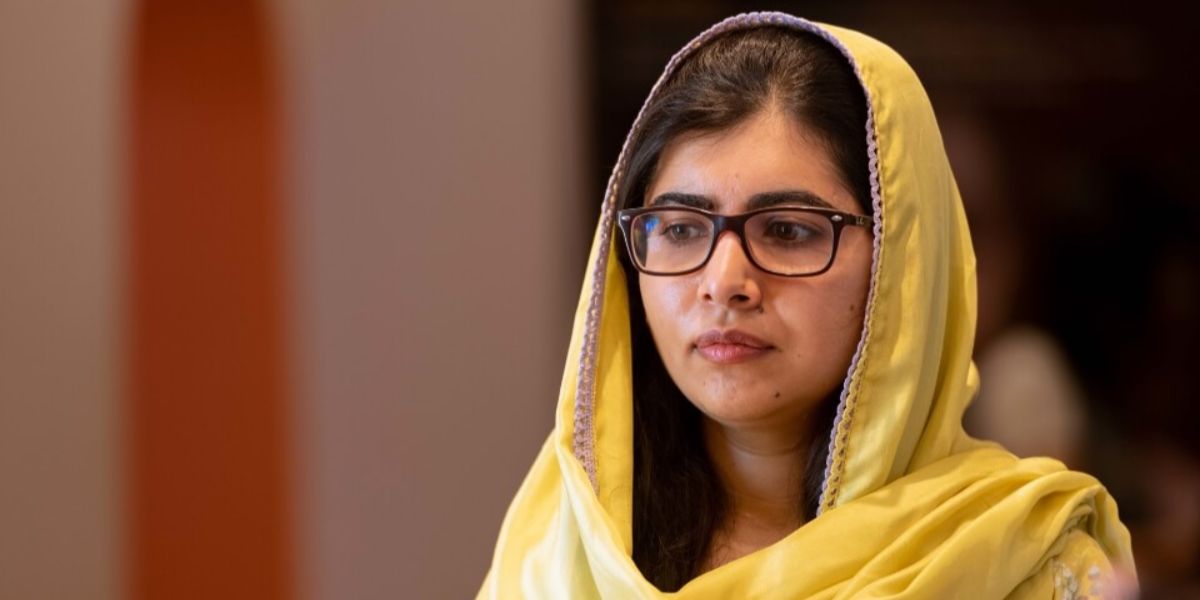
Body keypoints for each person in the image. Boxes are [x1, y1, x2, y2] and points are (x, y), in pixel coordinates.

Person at [477, 12, 1136, 598]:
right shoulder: (561, 546)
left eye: (788, 231)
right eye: (680, 229)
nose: (724, 281)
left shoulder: (1020, 560)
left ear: (901, 264)